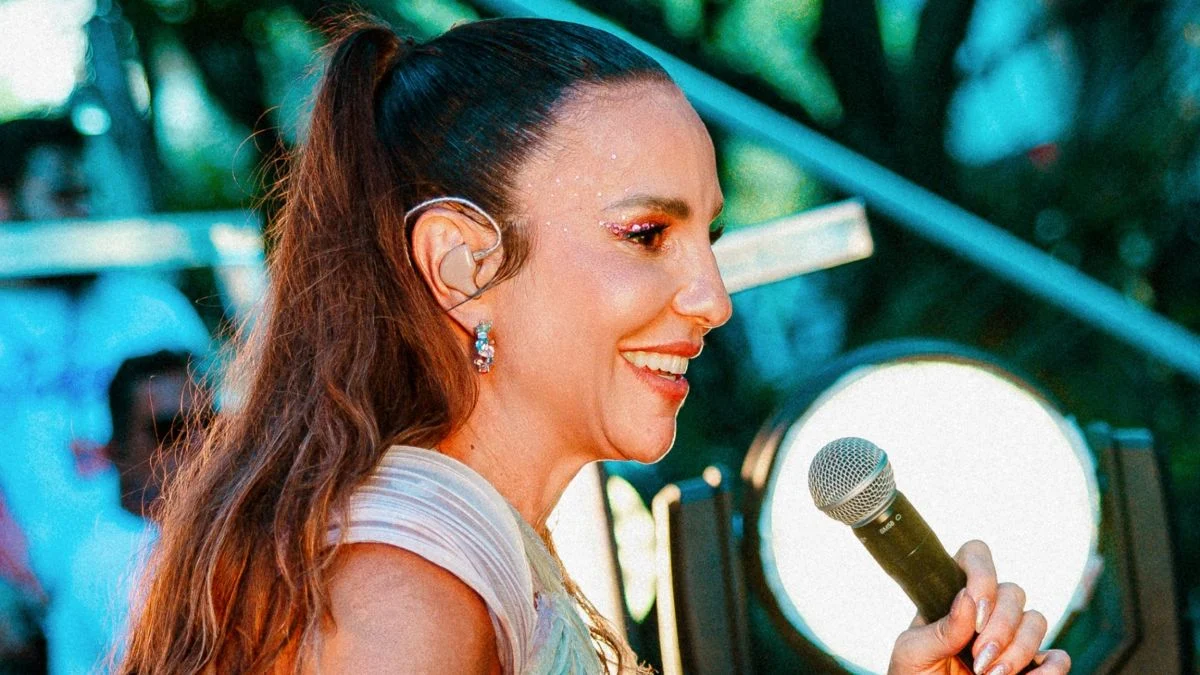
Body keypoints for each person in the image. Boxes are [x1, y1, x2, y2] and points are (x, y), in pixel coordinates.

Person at [120, 16, 1072, 675]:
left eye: (708, 235)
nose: (712, 299)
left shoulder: (461, 551)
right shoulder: (401, 589)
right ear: (460, 263)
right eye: (647, 235)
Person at [45, 350, 207, 674]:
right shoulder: (107, 558)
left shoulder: (183, 534)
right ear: (118, 452)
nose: (198, 444)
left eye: (208, 423)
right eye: (171, 430)